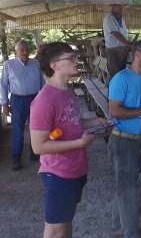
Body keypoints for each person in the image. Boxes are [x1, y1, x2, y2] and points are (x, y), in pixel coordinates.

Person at [29, 42, 112, 238]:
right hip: (58, 173)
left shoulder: (68, 91)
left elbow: (73, 122)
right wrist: (79, 143)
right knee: (55, 230)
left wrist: (97, 121)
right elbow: (38, 146)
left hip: (76, 169)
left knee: (66, 222)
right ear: (54, 65)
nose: (77, 61)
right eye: (71, 58)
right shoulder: (44, 101)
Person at [107, 40, 141, 238]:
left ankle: (117, 227)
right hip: (123, 141)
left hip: (135, 140)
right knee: (128, 191)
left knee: (124, 185)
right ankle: (131, 234)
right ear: (137, 55)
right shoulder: (122, 79)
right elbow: (114, 110)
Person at [1, 40, 45, 170]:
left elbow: (42, 83)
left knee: (36, 128)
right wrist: (4, 103)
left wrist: (44, 99)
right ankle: (16, 158)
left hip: (35, 99)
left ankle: (35, 153)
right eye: (21, 50)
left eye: (26, 49)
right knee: (18, 131)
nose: (24, 52)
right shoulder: (9, 64)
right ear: (16, 51)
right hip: (17, 101)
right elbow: (3, 85)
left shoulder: (36, 63)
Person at [103, 4, 133, 80]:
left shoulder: (121, 19)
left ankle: (120, 91)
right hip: (113, 51)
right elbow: (117, 34)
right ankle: (115, 91)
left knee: (121, 73)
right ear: (113, 7)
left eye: (122, 7)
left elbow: (123, 34)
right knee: (115, 75)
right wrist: (130, 45)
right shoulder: (109, 18)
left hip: (122, 50)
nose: (122, 8)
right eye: (119, 6)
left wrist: (127, 46)